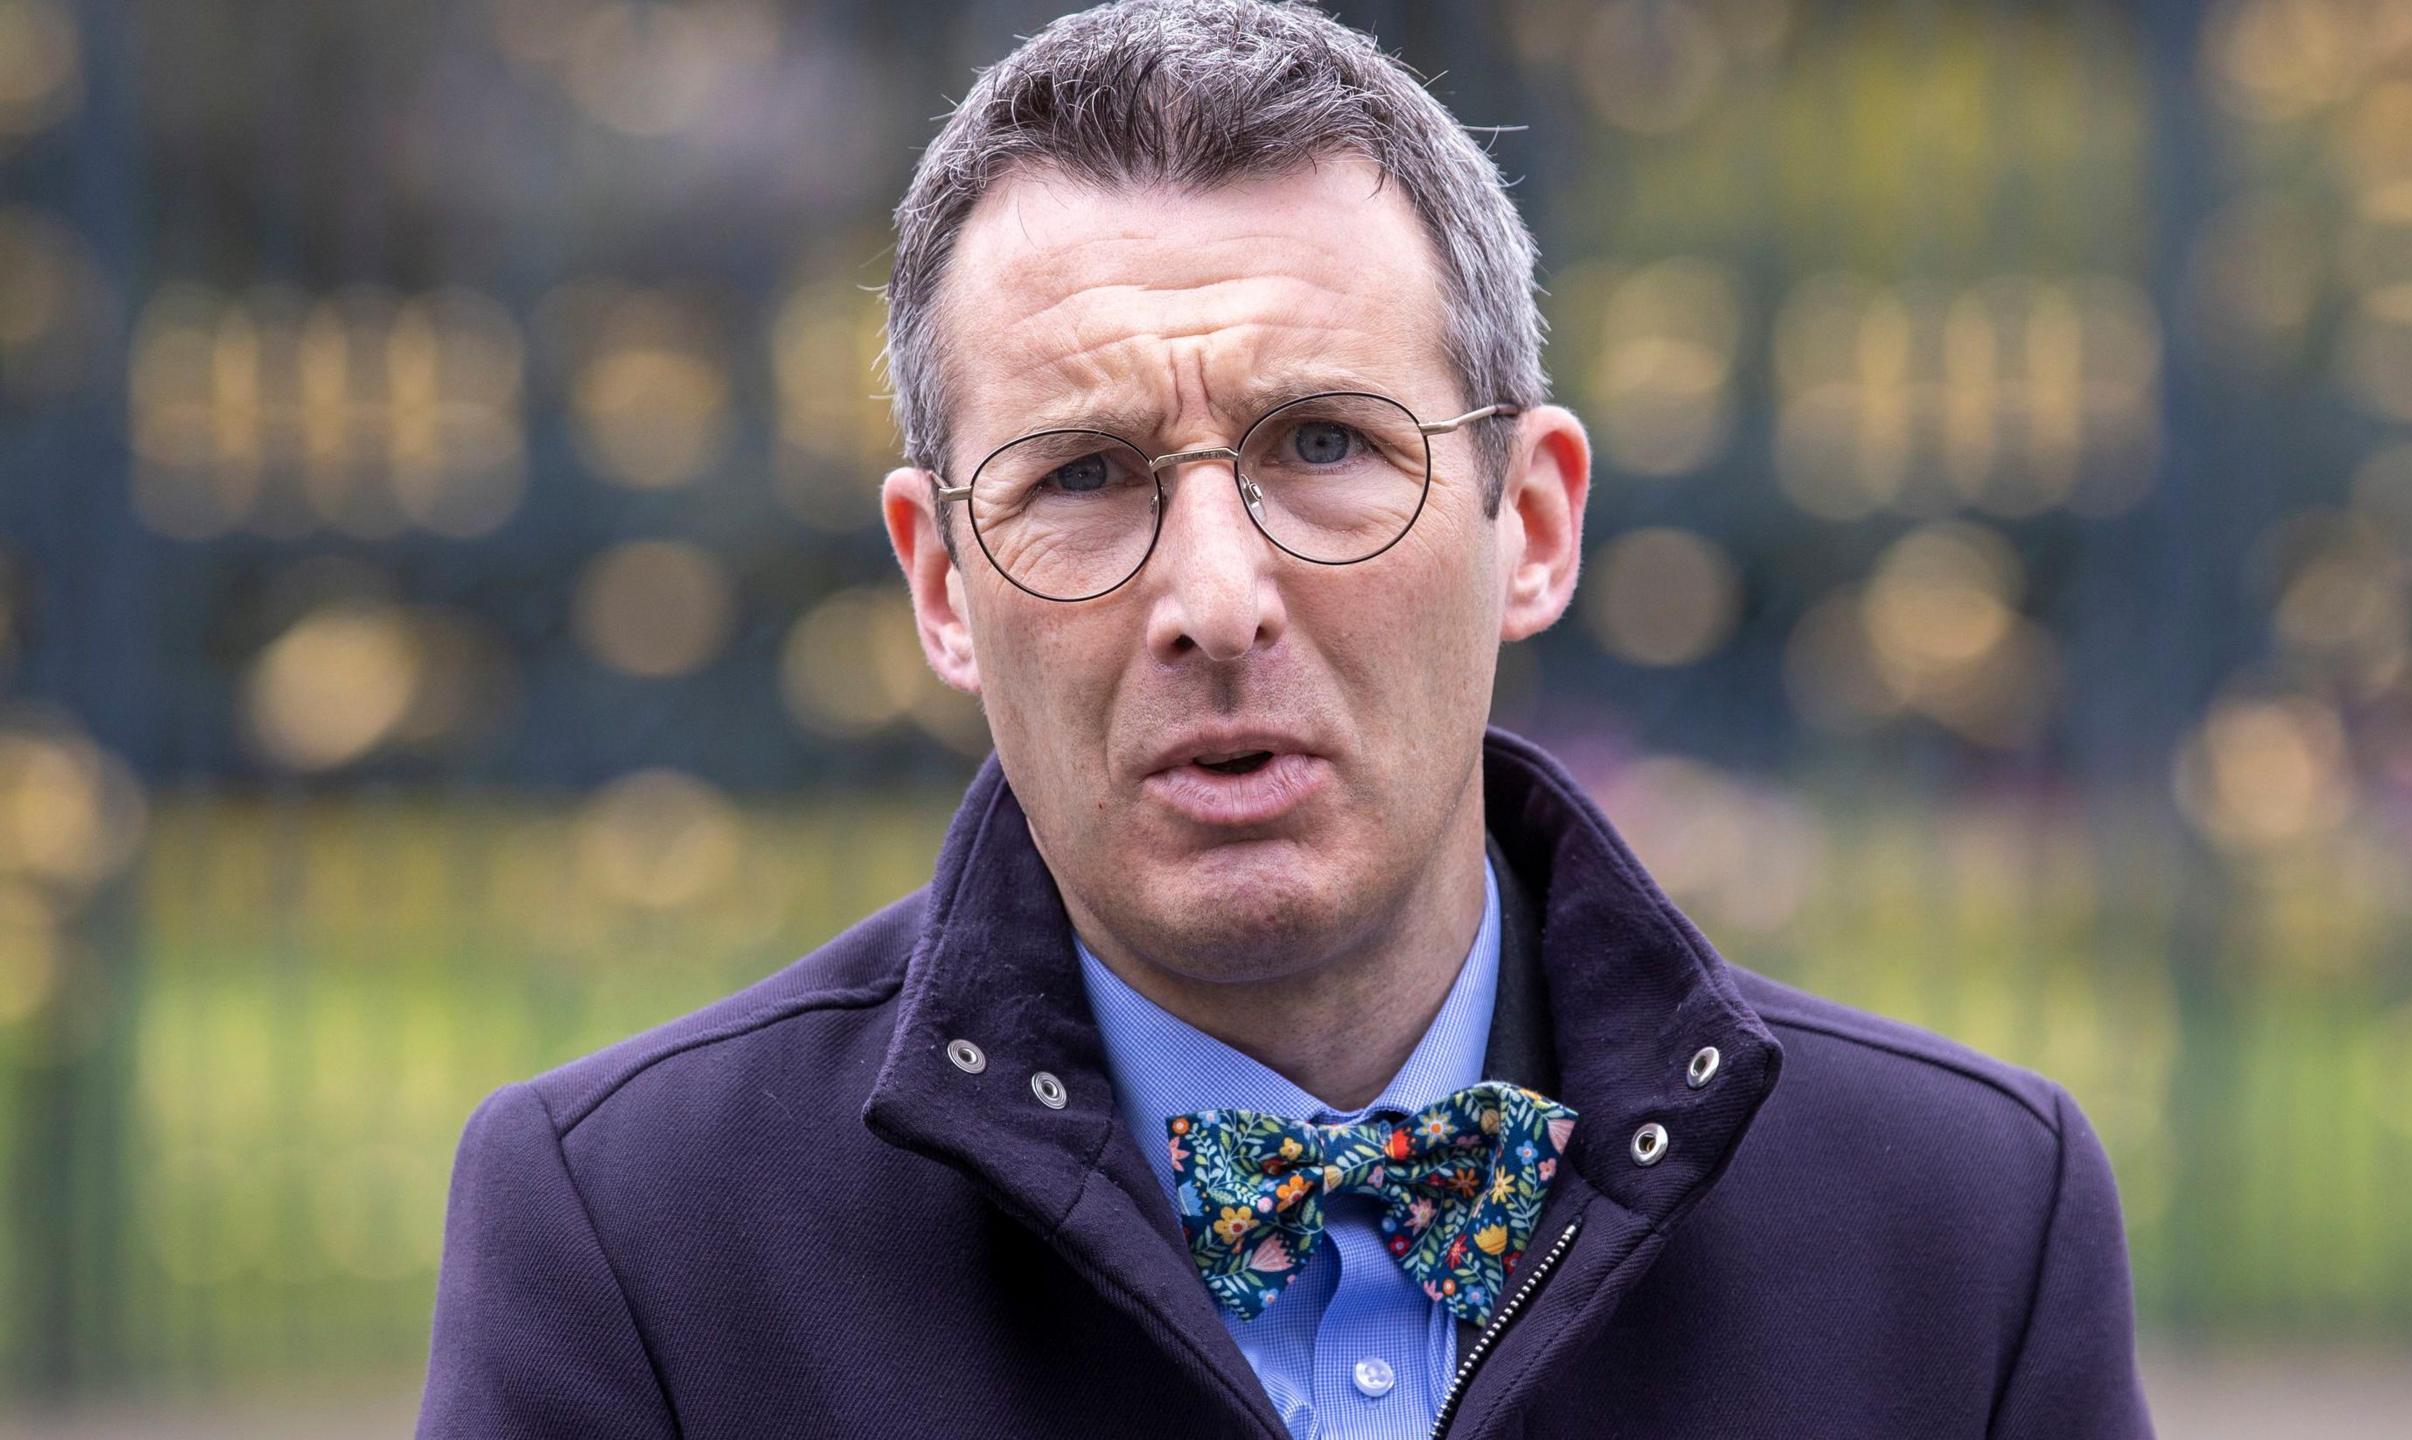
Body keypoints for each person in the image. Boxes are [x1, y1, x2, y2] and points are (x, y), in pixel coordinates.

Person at [416, 2, 2155, 1436]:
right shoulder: (637, 1249)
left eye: (1323, 448)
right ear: (942, 584)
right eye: (1085, 476)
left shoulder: (1964, 1232)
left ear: (1531, 523)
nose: (1215, 598)